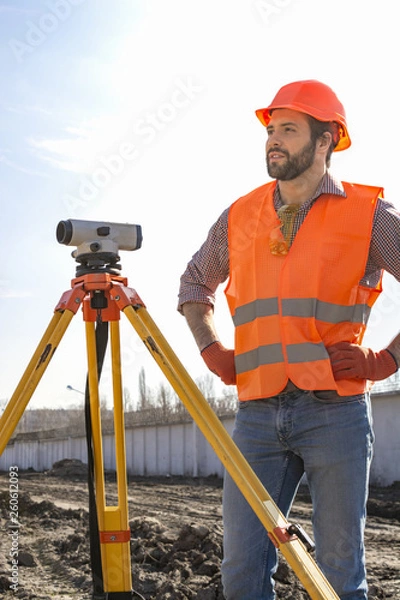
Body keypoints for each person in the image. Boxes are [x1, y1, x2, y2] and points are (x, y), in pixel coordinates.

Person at [177, 79, 400, 600]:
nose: (273, 140)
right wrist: (211, 349)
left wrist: (387, 359)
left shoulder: (368, 215)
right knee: (241, 570)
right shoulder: (239, 215)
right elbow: (194, 283)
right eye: (271, 129)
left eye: (289, 130)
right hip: (256, 413)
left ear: (326, 141)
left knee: (340, 575)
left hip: (335, 413)